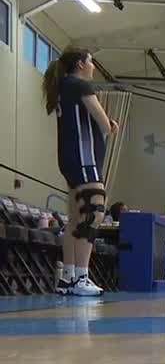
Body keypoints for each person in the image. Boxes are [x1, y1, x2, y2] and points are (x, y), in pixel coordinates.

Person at [44, 47, 118, 297]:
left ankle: (69, 276)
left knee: (76, 219)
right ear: (80, 64)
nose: (93, 66)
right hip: (85, 158)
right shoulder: (79, 85)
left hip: (69, 160)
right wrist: (111, 125)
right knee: (93, 214)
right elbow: (103, 123)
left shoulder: (63, 86)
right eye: (91, 61)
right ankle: (81, 277)